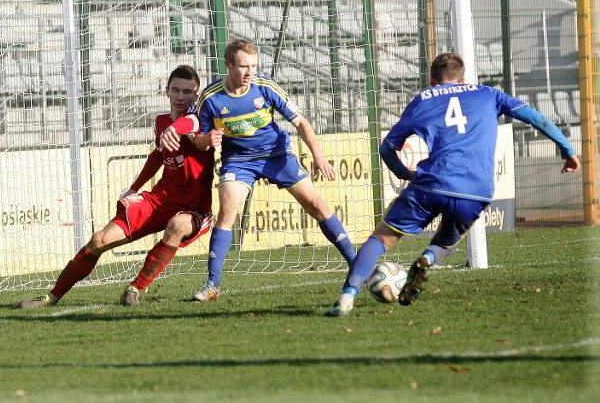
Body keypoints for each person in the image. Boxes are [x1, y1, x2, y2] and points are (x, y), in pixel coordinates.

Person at [326, 52, 581, 317]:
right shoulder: (489, 94)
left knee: (381, 238)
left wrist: (405, 173)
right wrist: (567, 150)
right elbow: (536, 118)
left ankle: (347, 297)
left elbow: (388, 147)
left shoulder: (423, 99)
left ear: (432, 78)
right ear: (462, 79)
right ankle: (427, 260)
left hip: (431, 184)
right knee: (446, 242)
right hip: (476, 190)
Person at [18, 65, 220, 308]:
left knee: (176, 226)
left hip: (193, 209)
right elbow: (157, 156)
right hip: (159, 201)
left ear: (196, 96)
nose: (180, 96)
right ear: (166, 91)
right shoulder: (160, 122)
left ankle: (135, 288)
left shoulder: (200, 120)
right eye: (175, 90)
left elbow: (188, 125)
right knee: (99, 240)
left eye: (187, 92)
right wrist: (135, 188)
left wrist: (173, 129)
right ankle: (51, 297)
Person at [188, 38, 356, 301]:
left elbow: (301, 122)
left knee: (316, 205)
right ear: (228, 64)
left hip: (277, 156)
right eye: (244, 66)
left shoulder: (265, 88)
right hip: (239, 160)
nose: (250, 72)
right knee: (227, 212)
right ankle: (212, 284)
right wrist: (205, 140)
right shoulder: (210, 98)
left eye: (254, 66)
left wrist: (318, 157)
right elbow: (199, 140)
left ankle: (357, 265)